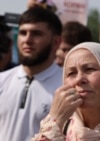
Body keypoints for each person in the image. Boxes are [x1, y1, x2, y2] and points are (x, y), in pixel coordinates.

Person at [0, 7, 62, 141]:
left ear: (56, 42)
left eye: (36, 33)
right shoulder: (2, 80)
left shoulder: (66, 87)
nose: (27, 40)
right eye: (23, 32)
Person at [32, 42, 100, 141]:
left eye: (89, 69)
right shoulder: (60, 129)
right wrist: (55, 120)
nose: (79, 79)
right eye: (72, 73)